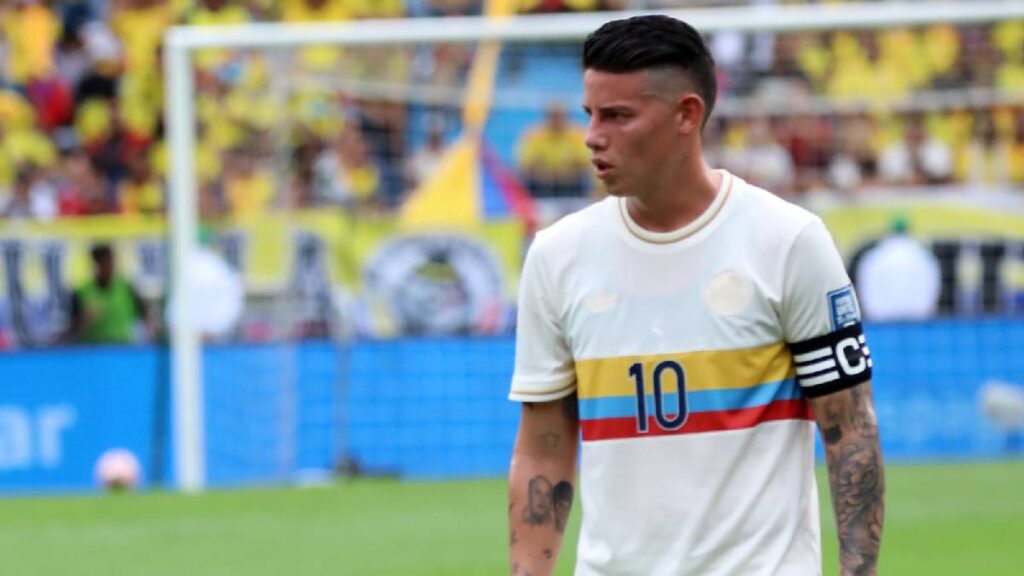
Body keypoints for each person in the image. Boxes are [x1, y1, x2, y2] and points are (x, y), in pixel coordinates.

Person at [507, 16, 884, 576]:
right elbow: (542, 447)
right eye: (591, 114)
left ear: (687, 115)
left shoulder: (788, 242)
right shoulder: (557, 256)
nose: (591, 136)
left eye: (617, 116)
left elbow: (850, 432)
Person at [65, 243, 151, 344]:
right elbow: (71, 330)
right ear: (96, 263)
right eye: (105, 261)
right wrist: (83, 320)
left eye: (111, 261)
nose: (110, 265)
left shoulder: (127, 288)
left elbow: (146, 317)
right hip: (92, 351)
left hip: (122, 349)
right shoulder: (81, 292)